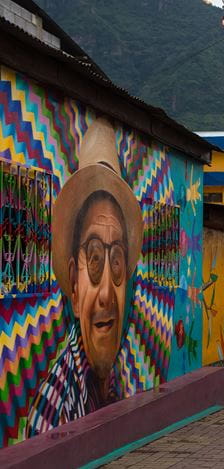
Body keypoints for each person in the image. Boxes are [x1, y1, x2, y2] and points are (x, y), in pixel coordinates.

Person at [27, 117, 142, 437]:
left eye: (116, 260)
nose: (106, 292)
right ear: (74, 290)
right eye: (93, 259)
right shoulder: (54, 410)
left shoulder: (126, 377)